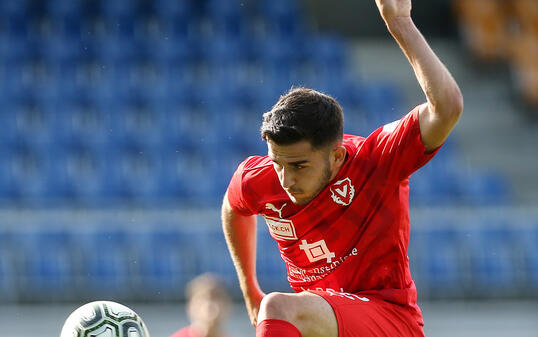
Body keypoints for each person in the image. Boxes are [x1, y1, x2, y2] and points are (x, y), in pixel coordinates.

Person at [221, 0, 463, 336]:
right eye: (277, 163)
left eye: (299, 165)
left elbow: (447, 107)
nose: (286, 179)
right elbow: (234, 206)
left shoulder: (376, 160)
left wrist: (401, 24)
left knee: (278, 307)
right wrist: (249, 288)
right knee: (277, 309)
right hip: (324, 319)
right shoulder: (259, 179)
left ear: (336, 157)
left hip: (387, 317)